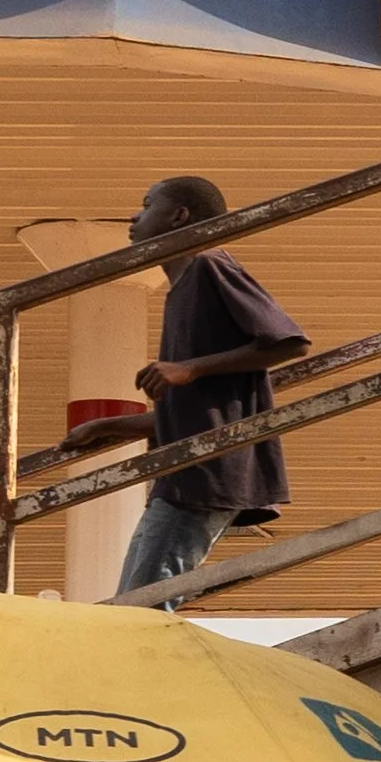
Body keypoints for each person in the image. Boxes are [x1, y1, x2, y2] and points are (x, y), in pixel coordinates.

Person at [112, 174, 309, 602]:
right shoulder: (180, 289)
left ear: (179, 215)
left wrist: (189, 368)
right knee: (133, 602)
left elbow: (290, 342)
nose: (134, 215)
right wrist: (109, 428)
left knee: (141, 606)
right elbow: (197, 406)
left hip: (206, 474)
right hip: (186, 473)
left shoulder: (210, 264)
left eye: (146, 205)